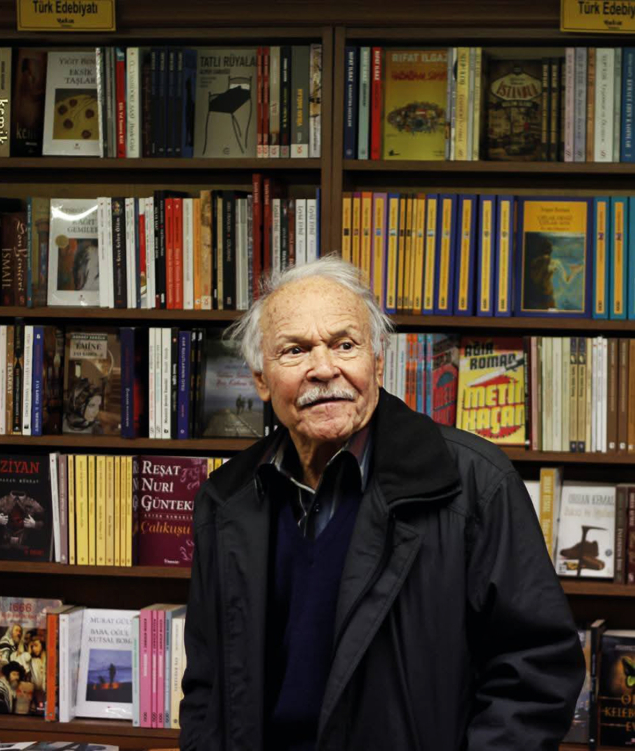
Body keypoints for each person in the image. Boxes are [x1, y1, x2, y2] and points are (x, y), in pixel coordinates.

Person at [179, 256, 585, 751]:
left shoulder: (474, 484)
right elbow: (207, 685)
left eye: (344, 345)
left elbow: (537, 670)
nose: (323, 368)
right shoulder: (225, 499)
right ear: (261, 379)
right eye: (294, 350)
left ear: (377, 359)